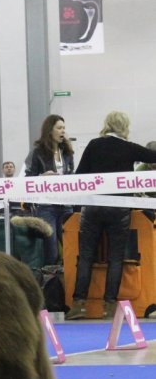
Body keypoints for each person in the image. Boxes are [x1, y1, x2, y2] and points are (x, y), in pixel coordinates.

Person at [65, 111, 156, 320]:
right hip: (119, 208)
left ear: (107, 125)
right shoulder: (129, 147)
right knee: (116, 258)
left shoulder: (94, 145)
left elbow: (80, 175)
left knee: (86, 256)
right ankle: (110, 306)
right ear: (125, 127)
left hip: (94, 206)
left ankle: (78, 304)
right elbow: (153, 157)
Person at [25, 115, 75, 265]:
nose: (62, 131)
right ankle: (50, 280)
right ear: (50, 130)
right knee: (51, 246)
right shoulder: (37, 152)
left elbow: (72, 174)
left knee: (70, 244)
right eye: (59, 128)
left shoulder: (67, 152)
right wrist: (41, 177)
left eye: (64, 128)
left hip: (66, 205)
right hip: (46, 206)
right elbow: (27, 179)